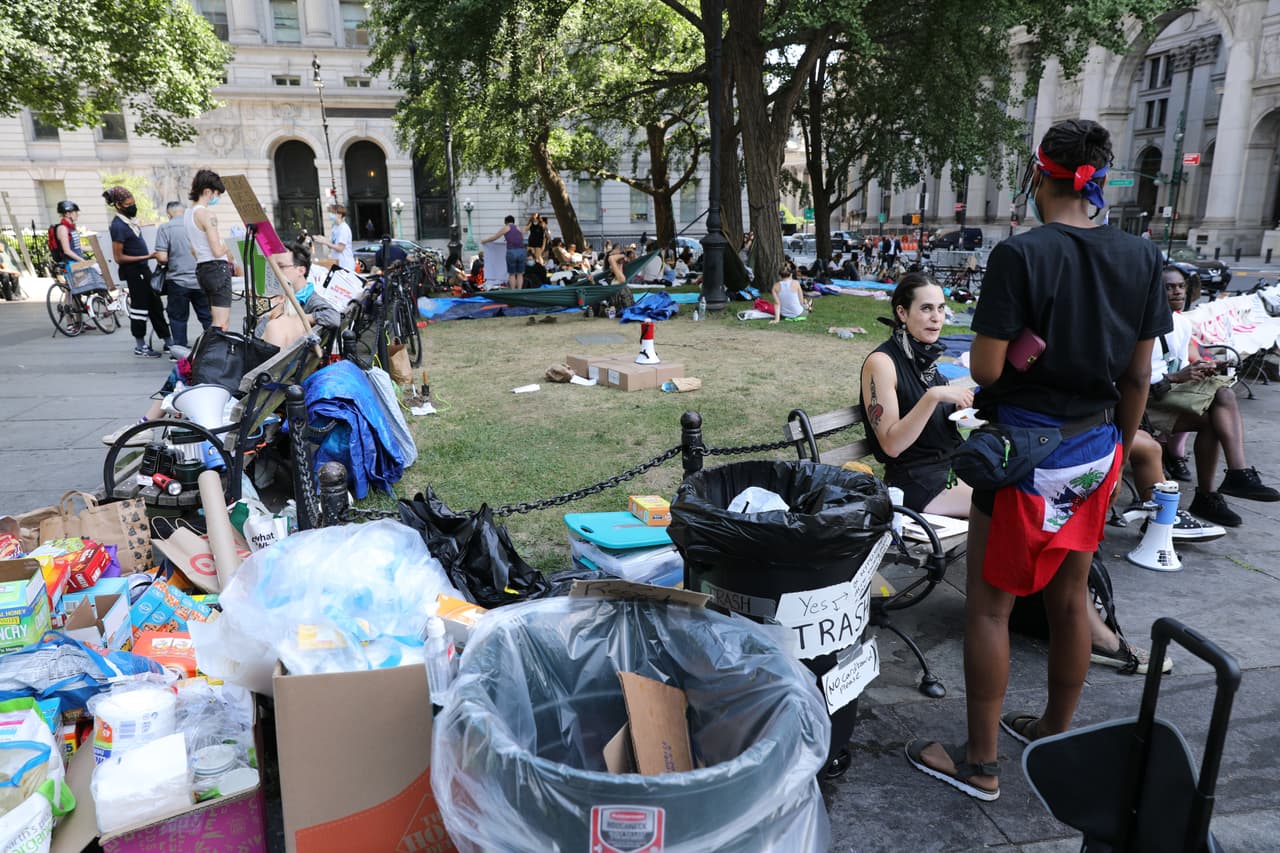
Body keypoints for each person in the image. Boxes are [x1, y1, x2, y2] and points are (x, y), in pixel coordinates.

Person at [906, 119, 1171, 802]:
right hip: (1096, 449)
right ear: (1098, 178)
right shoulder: (1143, 257)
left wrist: (1028, 342)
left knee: (989, 609)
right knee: (1069, 598)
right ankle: (1054, 729)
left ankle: (981, 764)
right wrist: (1117, 452)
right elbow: (1139, 376)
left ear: (1038, 174)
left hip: (1024, 456)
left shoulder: (1021, 255)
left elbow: (988, 369)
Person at [1145, 264, 1279, 527]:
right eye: (1169, 287)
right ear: (1154, 292)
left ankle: (1221, 486)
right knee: (1222, 405)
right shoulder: (1142, 325)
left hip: (1168, 395)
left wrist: (1204, 368)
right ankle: (1225, 483)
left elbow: (1181, 363)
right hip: (1143, 403)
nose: (1177, 292)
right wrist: (1177, 377)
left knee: (1220, 406)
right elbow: (1135, 381)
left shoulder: (1181, 324)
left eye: (1181, 286)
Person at [860, 272, 973, 514]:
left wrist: (960, 411)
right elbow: (892, 445)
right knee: (1001, 505)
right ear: (902, 313)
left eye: (941, 308)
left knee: (1021, 488)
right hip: (915, 480)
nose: (936, 317)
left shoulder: (922, 356)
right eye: (926, 308)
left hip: (952, 466)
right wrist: (933, 397)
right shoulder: (881, 363)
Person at [104, 186, 172, 358]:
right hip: (134, 272)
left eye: (133, 203)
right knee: (139, 308)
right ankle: (140, 345)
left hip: (143, 270)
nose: (133, 207)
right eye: (129, 204)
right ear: (118, 205)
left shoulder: (129, 222)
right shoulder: (118, 226)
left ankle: (168, 341)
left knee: (156, 306)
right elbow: (118, 257)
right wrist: (148, 256)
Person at [183, 170, 239, 330]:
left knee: (214, 321)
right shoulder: (207, 214)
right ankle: (213, 347)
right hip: (217, 268)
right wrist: (233, 240)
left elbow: (193, 250)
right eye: (217, 194)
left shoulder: (187, 215)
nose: (217, 198)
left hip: (202, 269)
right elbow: (217, 251)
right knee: (222, 323)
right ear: (207, 191)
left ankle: (209, 346)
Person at [154, 201, 211, 349]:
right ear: (185, 211)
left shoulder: (165, 228)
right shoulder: (198, 225)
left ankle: (180, 350)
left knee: (178, 318)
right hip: (201, 279)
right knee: (207, 316)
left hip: (178, 280)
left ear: (169, 214)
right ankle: (215, 347)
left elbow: (162, 257)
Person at [481, 215, 525, 289]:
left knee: (512, 274)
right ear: (513, 221)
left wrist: (484, 241)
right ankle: (519, 290)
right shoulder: (518, 228)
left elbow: (495, 237)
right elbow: (521, 238)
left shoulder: (506, 227)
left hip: (512, 251)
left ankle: (513, 291)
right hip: (521, 251)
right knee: (520, 274)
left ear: (506, 222)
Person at [312, 204, 354, 271]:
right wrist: (322, 239)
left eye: (332, 213)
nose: (330, 215)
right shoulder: (335, 227)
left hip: (345, 264)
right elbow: (331, 244)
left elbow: (340, 248)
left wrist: (325, 242)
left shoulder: (344, 228)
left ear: (339, 214)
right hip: (337, 262)